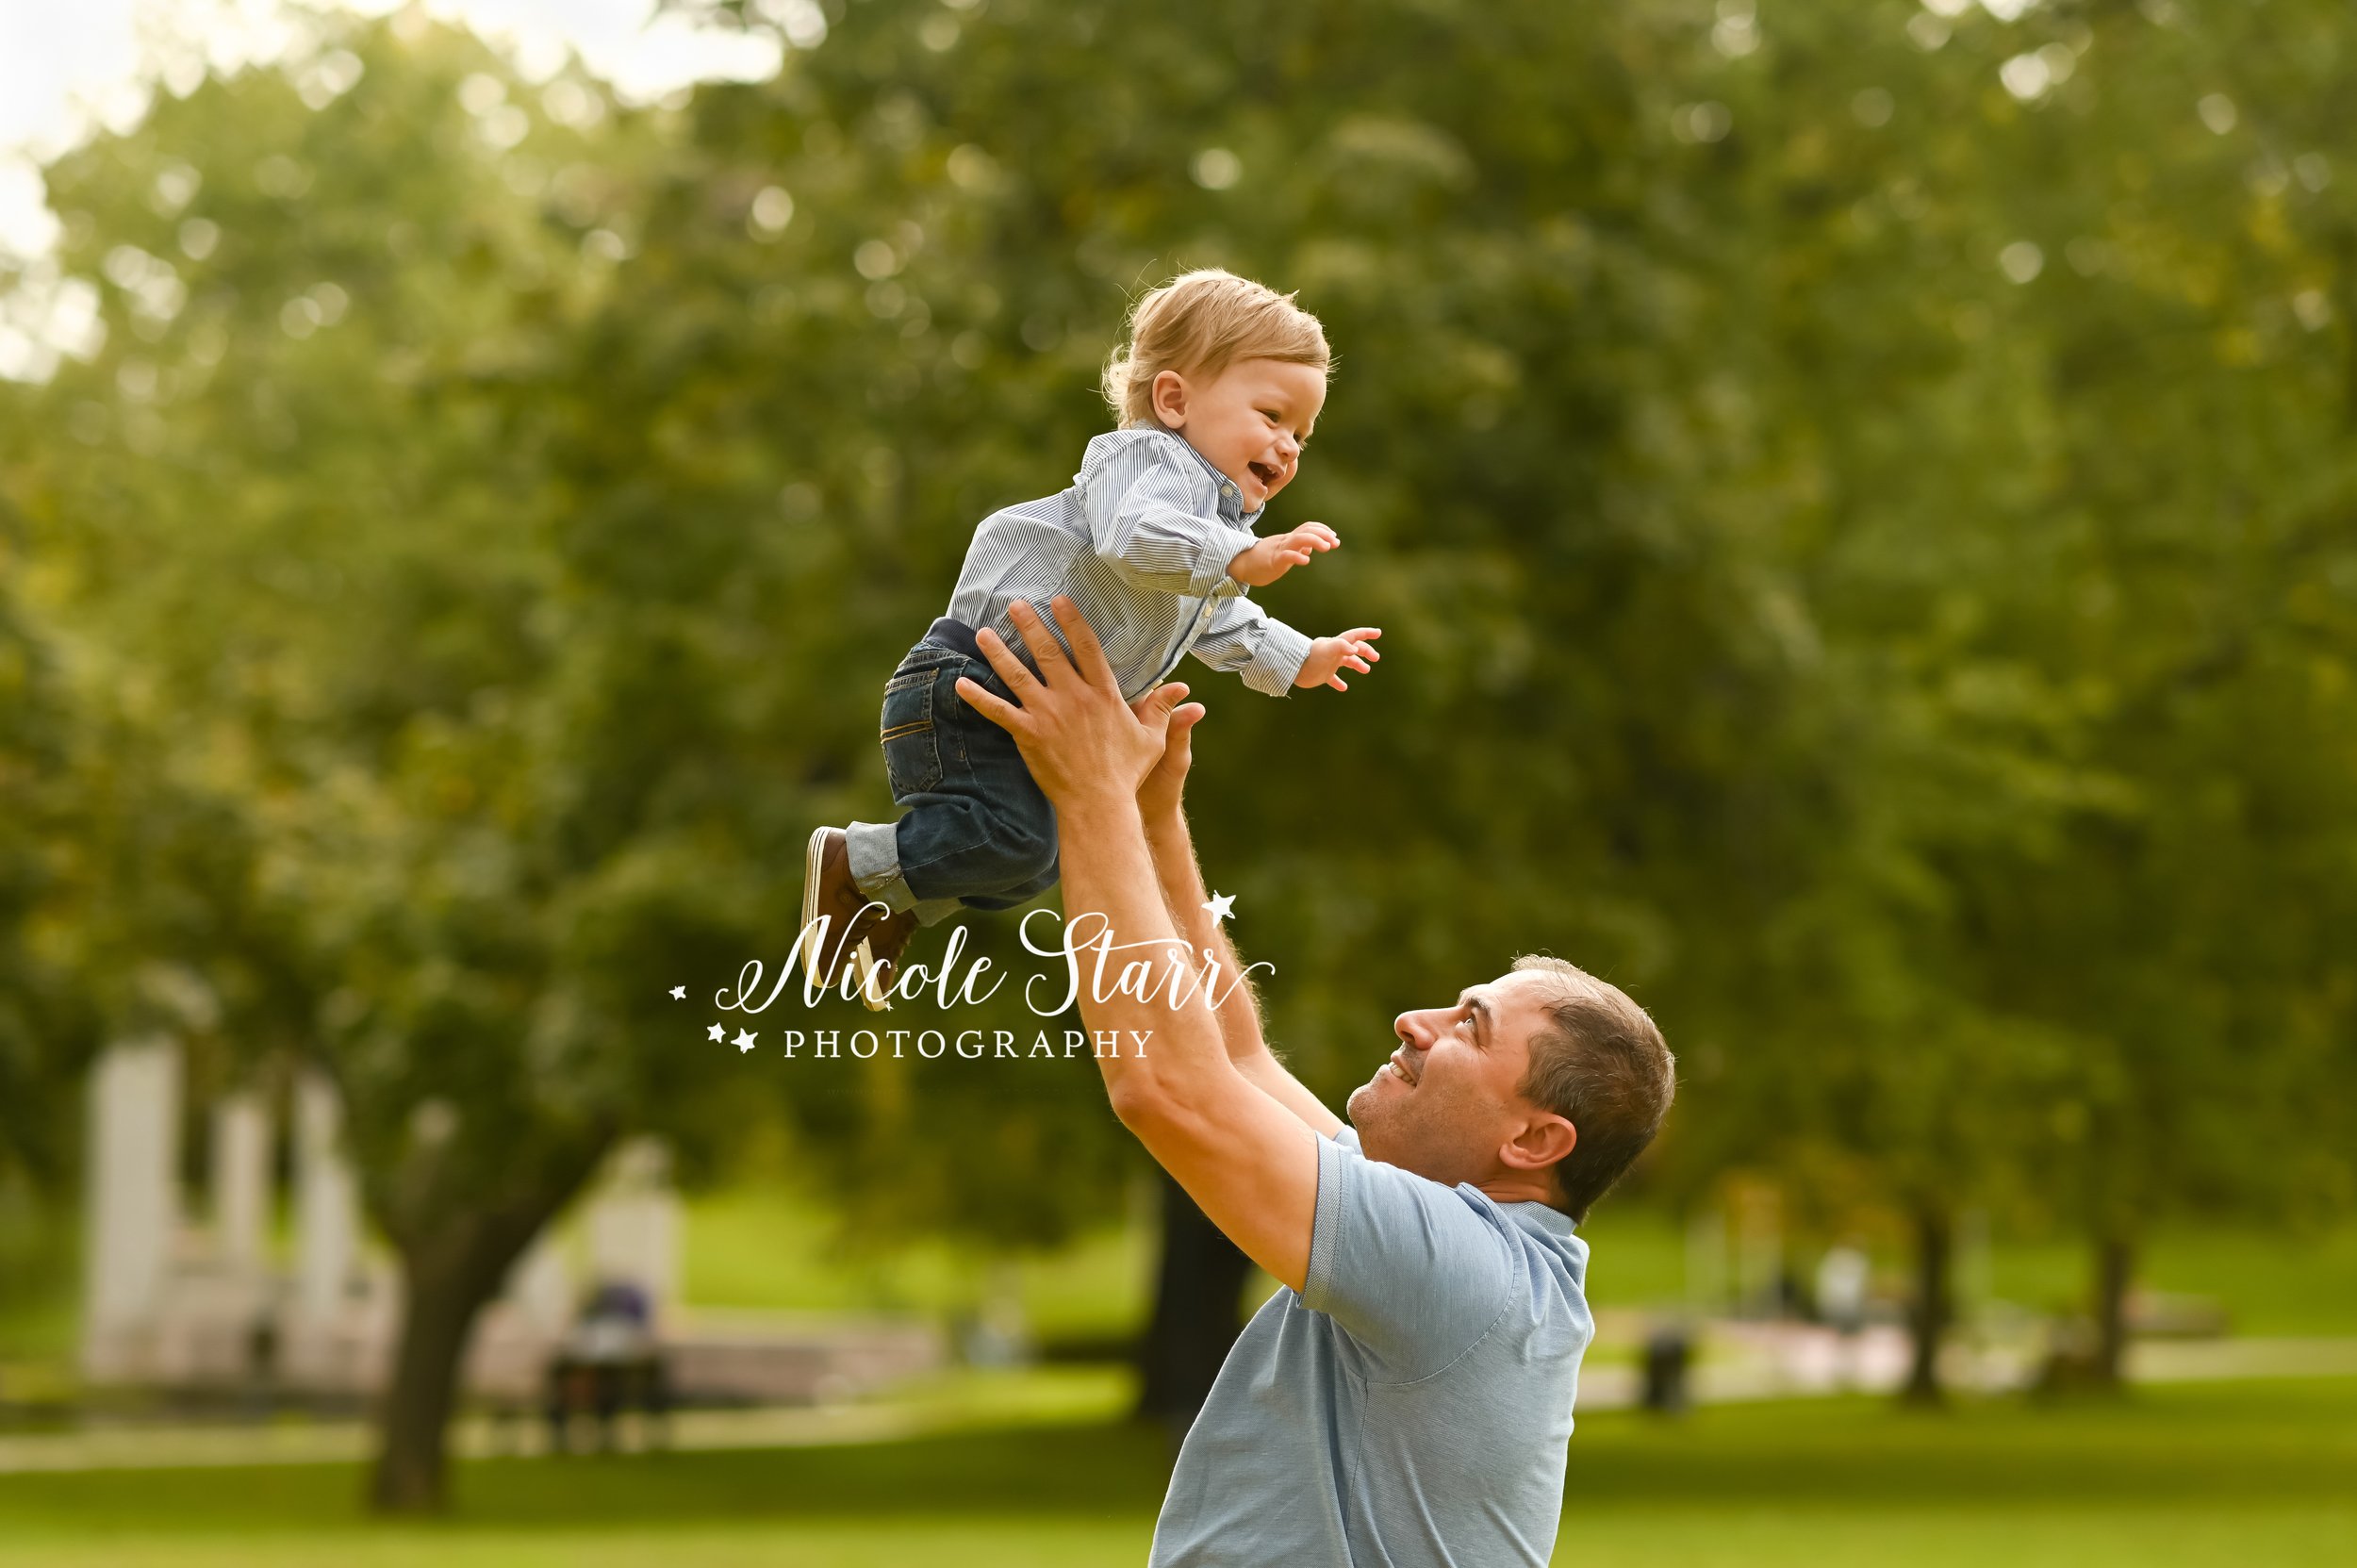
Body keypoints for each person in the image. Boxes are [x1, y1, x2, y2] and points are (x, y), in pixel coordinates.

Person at [956, 597, 1677, 1568]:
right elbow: (1238, 1058)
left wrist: (1086, 794)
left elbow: (1167, 1089)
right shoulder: (1456, 1233)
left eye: (1469, 1026)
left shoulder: (1459, 1271)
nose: (1412, 1023)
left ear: (1535, 1141)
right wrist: (1151, 818)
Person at [801, 269, 1384, 1006]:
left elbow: (1217, 614)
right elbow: (1131, 535)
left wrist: (1298, 655)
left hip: (1022, 703)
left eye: (1301, 431)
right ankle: (857, 861)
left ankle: (891, 898)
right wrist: (1236, 559)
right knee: (1014, 840)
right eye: (1271, 414)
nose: (1288, 444)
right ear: (1173, 400)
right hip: (969, 684)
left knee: (1045, 859)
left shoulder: (1216, 529)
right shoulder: (1141, 462)